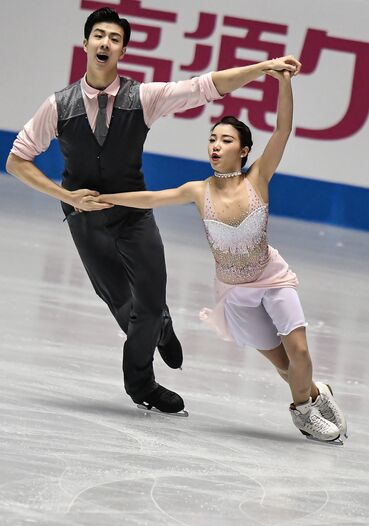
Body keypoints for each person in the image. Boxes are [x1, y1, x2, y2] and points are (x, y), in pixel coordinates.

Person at [6, 7, 302, 417]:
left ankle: (141, 385)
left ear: (123, 49)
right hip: (84, 217)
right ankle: (159, 327)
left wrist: (264, 67)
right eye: (99, 35)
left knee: (147, 302)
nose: (105, 43)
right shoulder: (58, 105)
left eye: (114, 38)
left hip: (134, 214)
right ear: (87, 43)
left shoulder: (142, 97)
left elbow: (206, 86)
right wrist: (66, 195)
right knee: (127, 310)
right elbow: (17, 160)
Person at [94, 67, 347, 443]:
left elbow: (283, 130)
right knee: (286, 367)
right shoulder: (198, 191)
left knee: (300, 353)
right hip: (236, 296)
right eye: (212, 139)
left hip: (272, 279)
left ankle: (302, 414)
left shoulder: (258, 177)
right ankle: (315, 393)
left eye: (225, 140)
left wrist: (284, 82)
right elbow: (150, 198)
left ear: (243, 150)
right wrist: (104, 199)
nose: (215, 145)